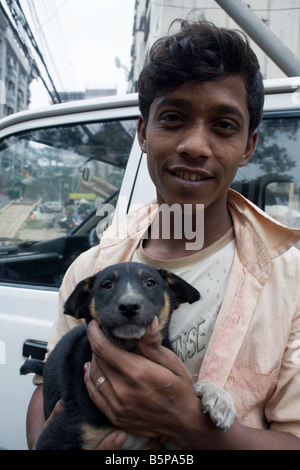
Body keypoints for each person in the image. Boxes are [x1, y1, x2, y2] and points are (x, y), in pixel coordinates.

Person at [26, 19, 300, 450]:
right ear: (142, 133)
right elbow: (46, 390)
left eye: (224, 125)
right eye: (173, 118)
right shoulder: (93, 267)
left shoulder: (292, 281)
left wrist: (192, 426)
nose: (195, 144)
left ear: (249, 145)